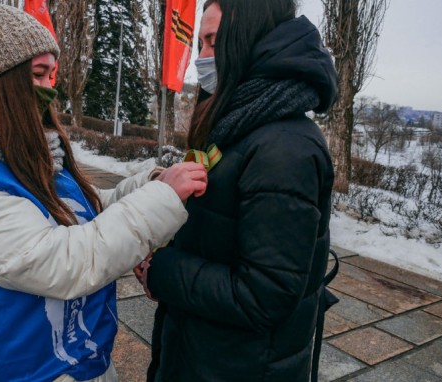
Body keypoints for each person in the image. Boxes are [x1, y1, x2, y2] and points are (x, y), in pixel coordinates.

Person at [0, 1, 207, 380]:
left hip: (72, 360)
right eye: (38, 75)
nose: (50, 88)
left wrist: (148, 186)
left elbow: (79, 211)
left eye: (52, 74)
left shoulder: (19, 147)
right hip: (22, 370)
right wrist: (160, 202)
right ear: (1, 79)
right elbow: (63, 261)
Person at [136, 0, 338, 381]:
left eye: (213, 41)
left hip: (241, 365)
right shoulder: (244, 121)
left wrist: (161, 270)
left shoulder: (285, 148)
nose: (203, 57)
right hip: (207, 351)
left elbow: (265, 294)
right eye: (199, 44)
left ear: (247, 38)